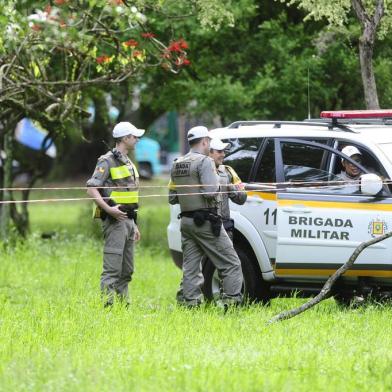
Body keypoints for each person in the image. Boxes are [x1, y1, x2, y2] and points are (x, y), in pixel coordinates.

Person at [169, 126, 243, 308]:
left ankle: (190, 305)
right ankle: (231, 304)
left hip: (186, 223)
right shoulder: (205, 162)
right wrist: (224, 185)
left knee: (191, 267)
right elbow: (210, 192)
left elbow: (172, 198)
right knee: (231, 263)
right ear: (204, 141)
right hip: (206, 222)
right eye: (209, 141)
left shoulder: (177, 163)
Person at [86, 121, 143, 307]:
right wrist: (108, 209)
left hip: (128, 220)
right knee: (112, 269)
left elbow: (129, 195)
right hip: (114, 222)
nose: (137, 139)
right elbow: (92, 189)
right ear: (125, 138)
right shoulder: (107, 160)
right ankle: (108, 309)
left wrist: (134, 225)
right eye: (134, 136)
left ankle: (123, 307)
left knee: (127, 270)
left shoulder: (129, 162)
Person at [209, 138, 247, 240]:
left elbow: (242, 198)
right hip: (204, 228)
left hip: (224, 227)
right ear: (209, 153)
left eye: (224, 151)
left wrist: (230, 186)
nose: (223, 155)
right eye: (219, 151)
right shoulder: (198, 171)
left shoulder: (228, 171)